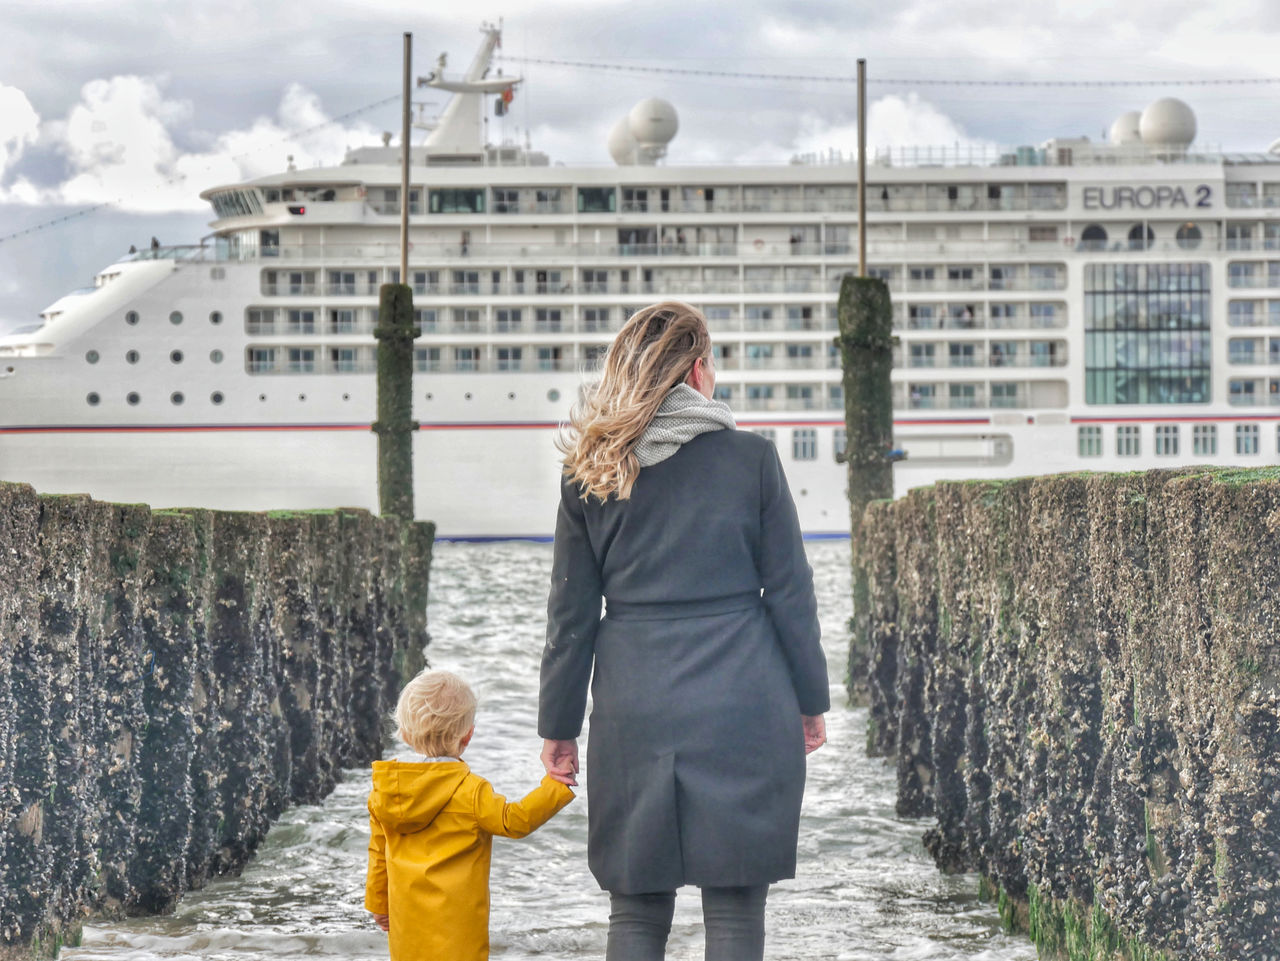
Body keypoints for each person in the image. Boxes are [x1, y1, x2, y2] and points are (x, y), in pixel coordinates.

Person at [539, 301, 829, 961]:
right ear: (698, 369)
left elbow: (571, 615)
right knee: (734, 910)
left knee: (636, 912)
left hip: (633, 704)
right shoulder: (752, 459)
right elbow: (790, 594)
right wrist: (811, 702)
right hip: (742, 699)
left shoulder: (591, 470)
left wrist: (558, 726)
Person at [365, 670, 574, 961]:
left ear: (406, 733)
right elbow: (515, 820)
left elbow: (378, 853)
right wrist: (556, 785)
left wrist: (378, 903)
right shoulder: (469, 791)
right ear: (468, 735)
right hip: (459, 934)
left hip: (406, 927)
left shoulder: (387, 791)